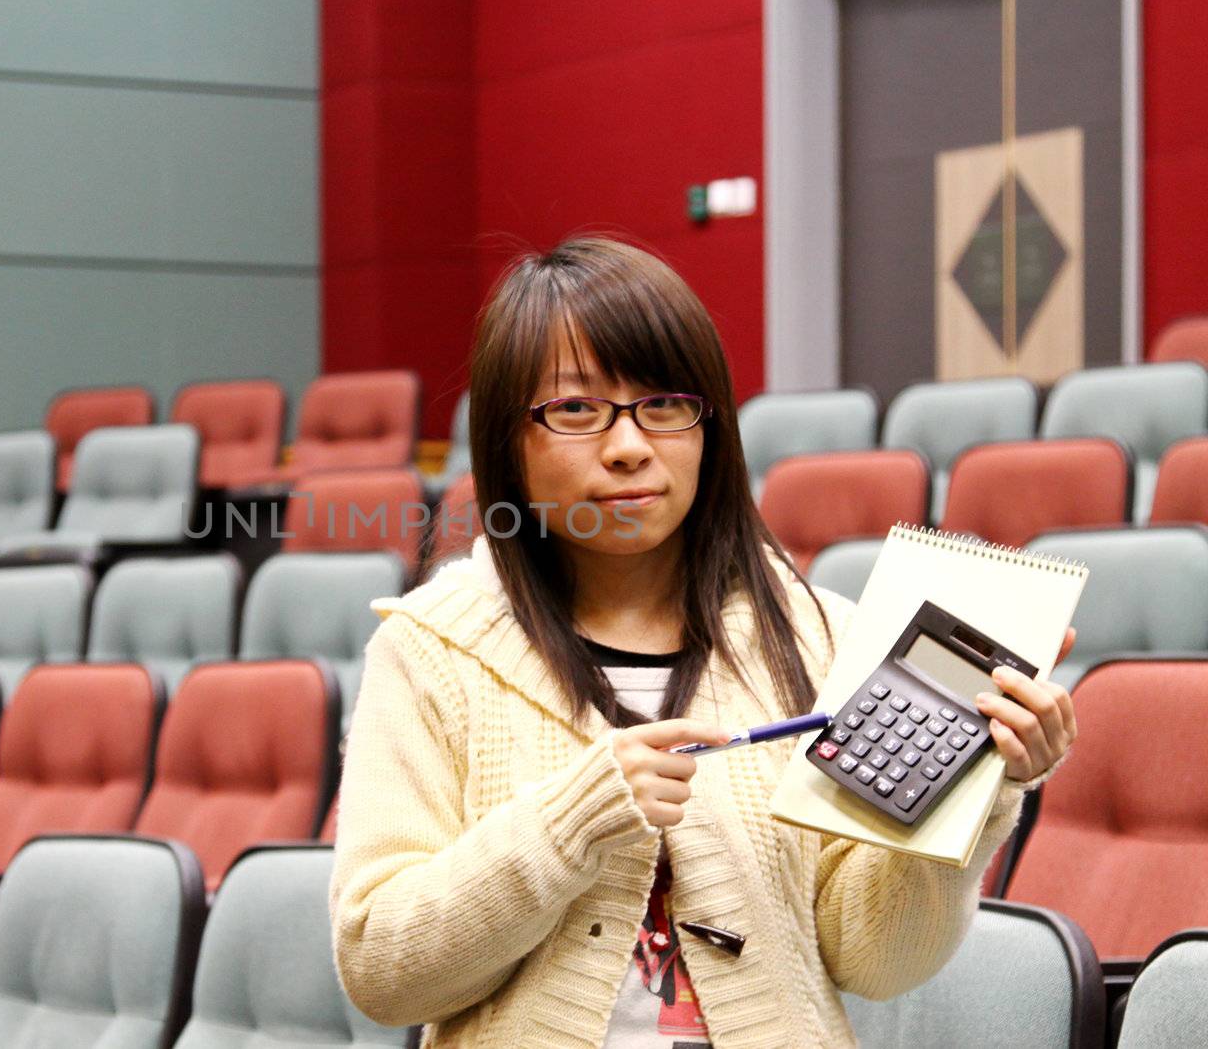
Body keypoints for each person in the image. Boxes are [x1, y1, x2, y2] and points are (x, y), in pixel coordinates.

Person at [328, 237, 1077, 1048]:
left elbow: (873, 960)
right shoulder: (433, 649)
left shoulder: (821, 636)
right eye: (576, 409)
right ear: (510, 444)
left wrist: (977, 786)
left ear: (710, 425)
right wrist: (573, 821)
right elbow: (382, 968)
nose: (628, 445)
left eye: (664, 403)